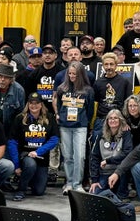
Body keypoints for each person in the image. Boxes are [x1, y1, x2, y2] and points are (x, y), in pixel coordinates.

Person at [53, 61, 95, 193]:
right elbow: (59, 106)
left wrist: (84, 120)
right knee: (67, 156)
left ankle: (78, 184)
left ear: (81, 74)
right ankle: (69, 183)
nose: (72, 76)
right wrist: (60, 116)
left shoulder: (88, 90)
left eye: (75, 74)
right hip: (65, 126)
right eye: (70, 73)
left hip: (80, 127)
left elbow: (90, 110)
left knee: (80, 156)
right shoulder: (61, 89)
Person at [11, 95, 59, 199]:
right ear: (28, 104)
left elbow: (54, 139)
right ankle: (21, 190)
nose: (34, 106)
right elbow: (12, 142)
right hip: (25, 156)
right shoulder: (20, 118)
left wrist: (38, 152)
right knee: (30, 164)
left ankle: (29, 179)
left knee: (39, 191)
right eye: (31, 103)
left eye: (37, 103)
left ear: (41, 104)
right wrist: (16, 165)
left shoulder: (50, 117)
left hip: (41, 158)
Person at [89, 109, 133, 196]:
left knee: (119, 197)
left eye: (116, 118)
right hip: (105, 172)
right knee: (95, 194)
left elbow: (127, 153)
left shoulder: (126, 134)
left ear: (120, 120)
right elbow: (94, 157)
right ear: (107, 121)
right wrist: (94, 180)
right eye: (110, 118)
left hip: (120, 171)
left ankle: (122, 193)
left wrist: (108, 161)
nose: (113, 120)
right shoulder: (100, 135)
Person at [92, 52, 134, 131]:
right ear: (103, 66)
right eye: (106, 64)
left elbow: (128, 103)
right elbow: (96, 102)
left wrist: (125, 121)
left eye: (111, 64)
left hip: (119, 119)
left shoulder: (124, 82)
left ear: (116, 65)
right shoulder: (98, 82)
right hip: (102, 119)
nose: (109, 67)